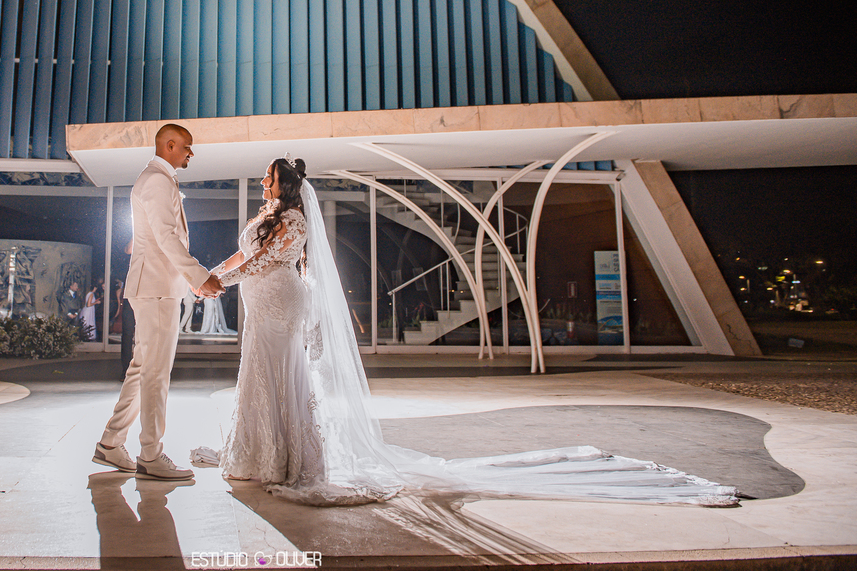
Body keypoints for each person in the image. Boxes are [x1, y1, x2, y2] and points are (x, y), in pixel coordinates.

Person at [205, 155, 740, 507]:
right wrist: (219, 271)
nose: (264, 181)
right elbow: (246, 254)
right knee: (257, 371)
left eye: (270, 176)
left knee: (280, 372)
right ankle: (256, 451)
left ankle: (285, 457)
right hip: (259, 303)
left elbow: (270, 261)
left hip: (279, 302)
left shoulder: (293, 220)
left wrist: (223, 280)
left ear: (286, 183)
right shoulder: (267, 213)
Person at [93, 123, 224, 481]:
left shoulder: (160, 179)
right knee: (155, 374)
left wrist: (189, 281)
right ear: (169, 145)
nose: (190, 154)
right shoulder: (156, 180)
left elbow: (164, 239)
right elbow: (166, 239)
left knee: (141, 369)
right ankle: (150, 454)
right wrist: (199, 276)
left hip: (157, 286)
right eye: (186, 147)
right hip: (155, 289)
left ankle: (110, 443)